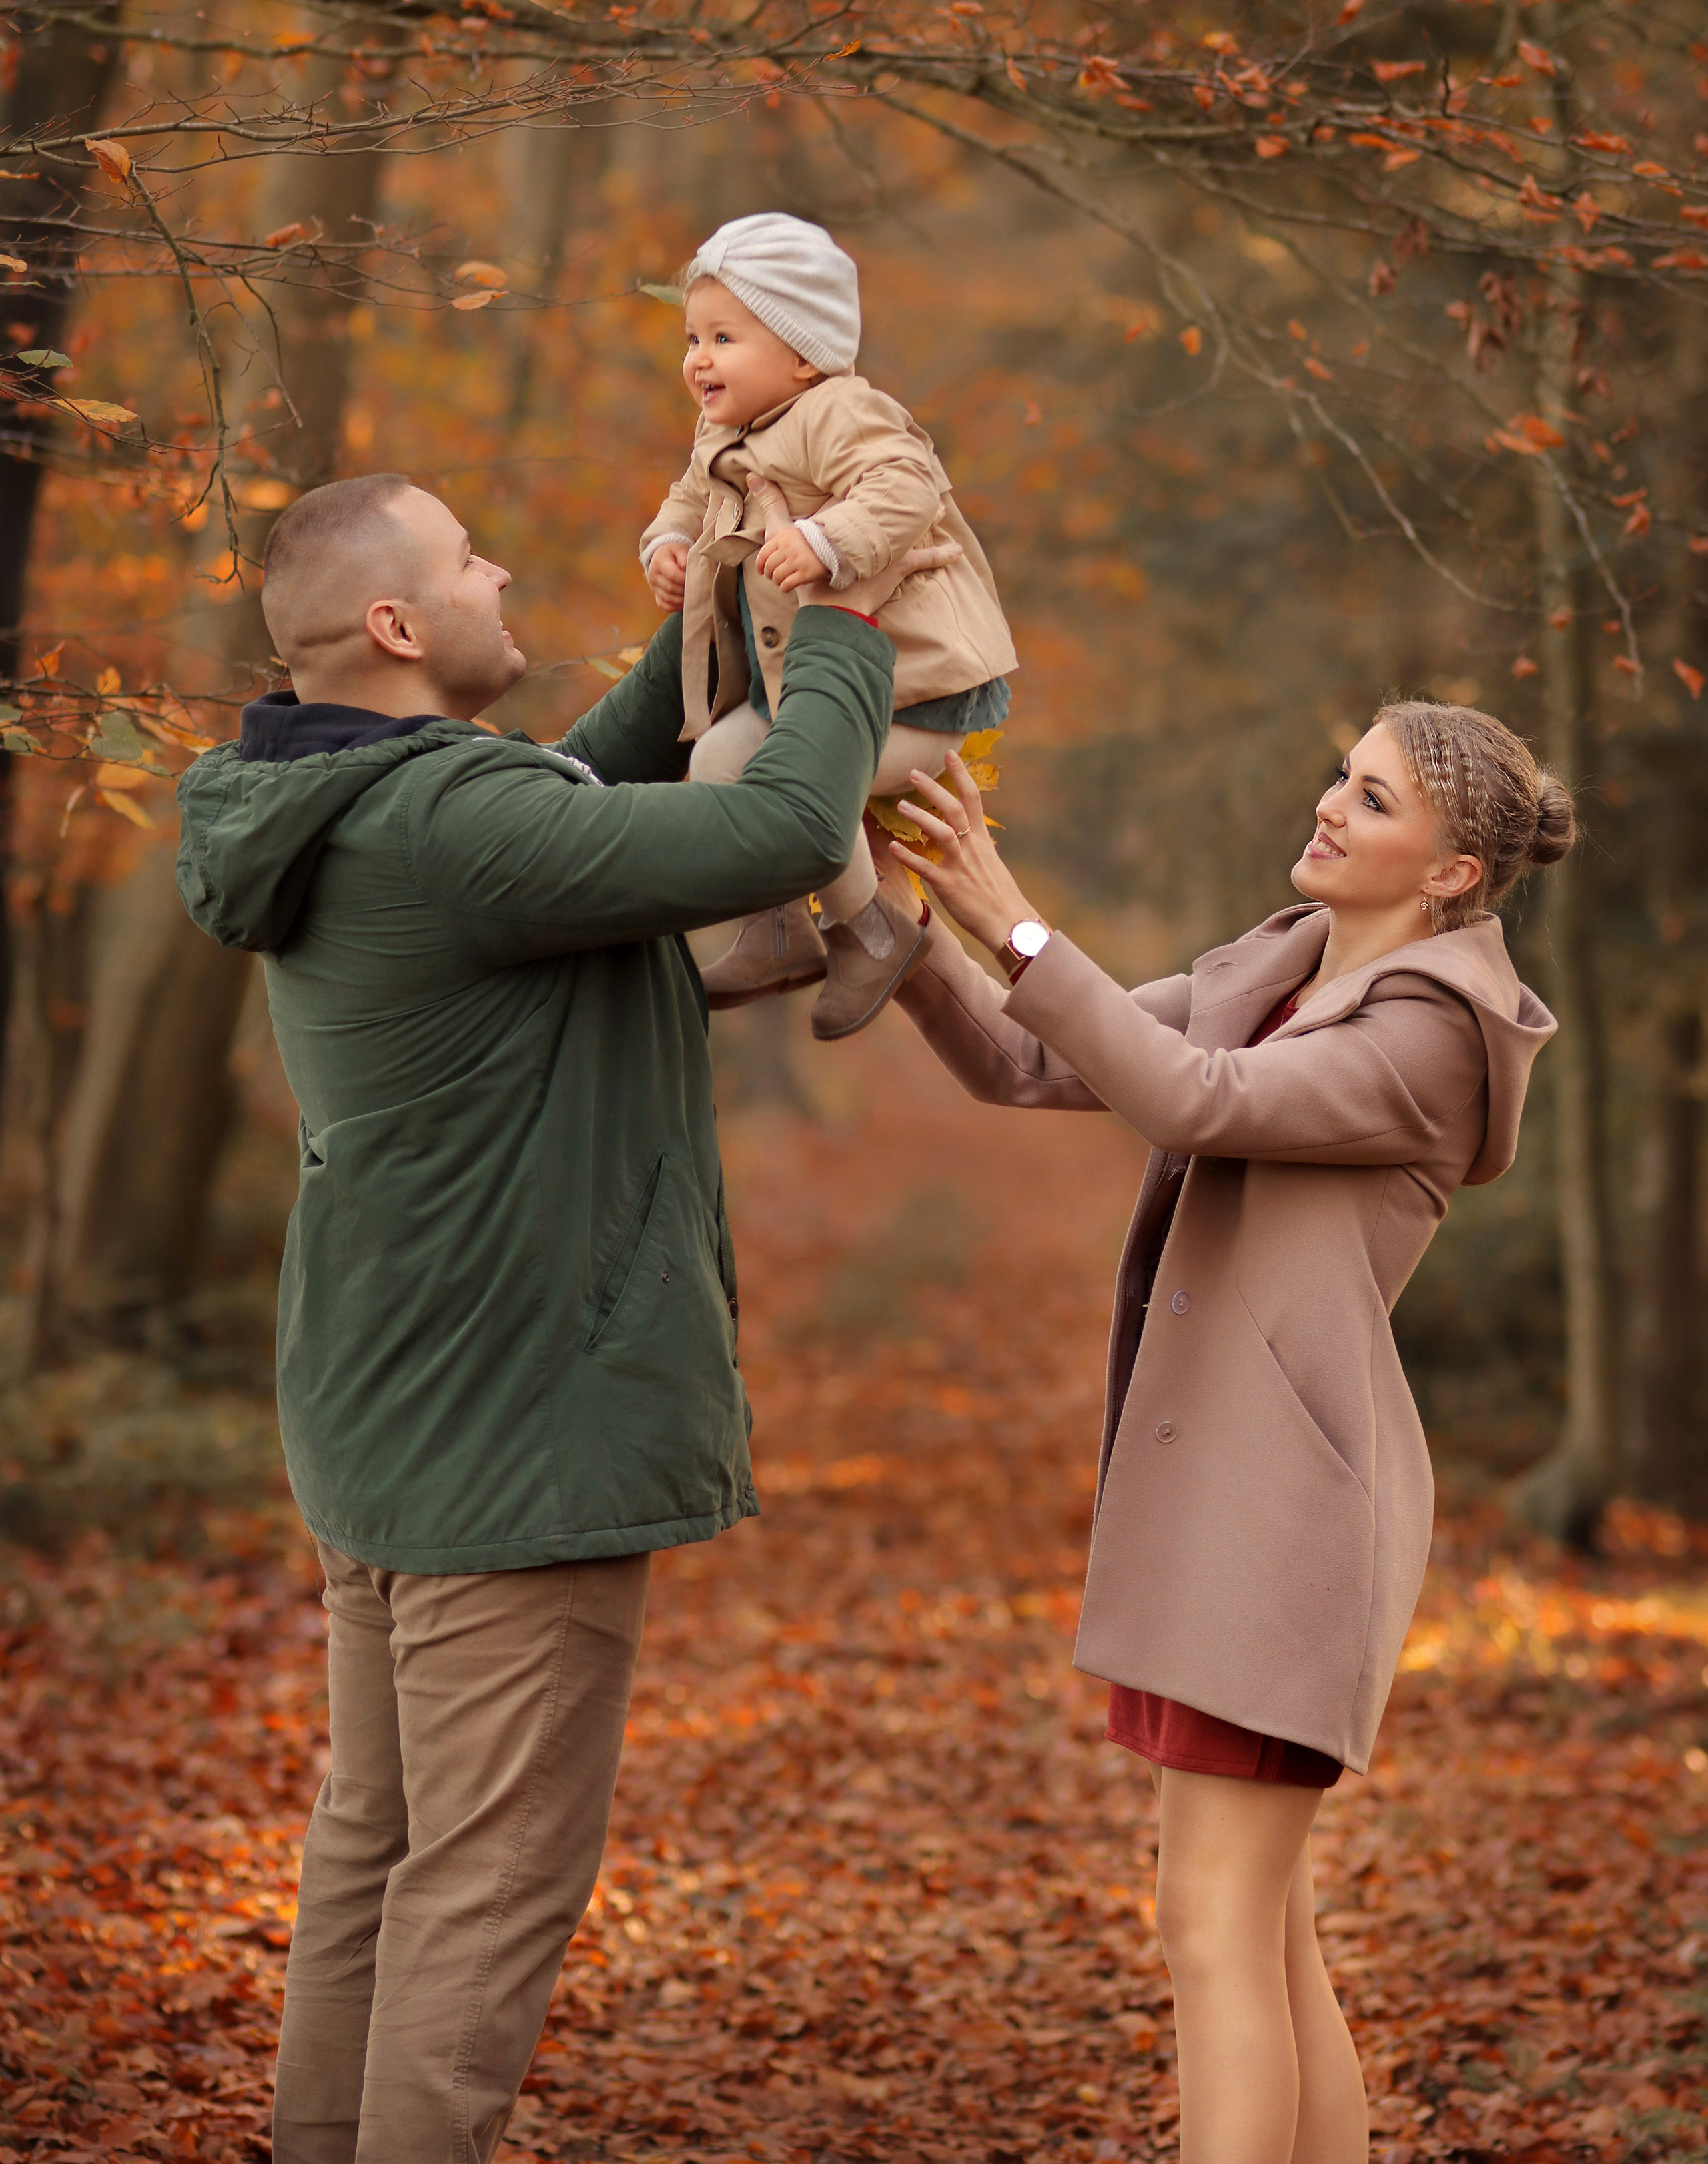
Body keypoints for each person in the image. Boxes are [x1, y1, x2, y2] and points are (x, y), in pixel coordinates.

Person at [174, 470, 946, 2164]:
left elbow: (585, 778)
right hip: (511, 1435)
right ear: (395, 624)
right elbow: (773, 834)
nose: (498, 565)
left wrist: (712, 627)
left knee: (377, 1851)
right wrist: (842, 635)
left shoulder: (351, 800)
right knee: (481, 1886)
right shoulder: (445, 822)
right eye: (467, 558)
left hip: (393, 1422)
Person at [876, 700, 1569, 2164]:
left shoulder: (1432, 1040)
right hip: (1224, 1503)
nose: (1329, 805)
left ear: (1451, 874)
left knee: (1208, 1931)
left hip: (1284, 1517)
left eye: (1372, 800)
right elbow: (1038, 1062)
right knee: (1261, 1935)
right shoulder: (1279, 962)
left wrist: (1012, 924)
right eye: (1342, 775)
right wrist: (903, 928)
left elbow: (1194, 1099)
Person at [639, 209, 1018, 1038]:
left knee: (806, 784)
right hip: (803, 690)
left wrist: (825, 541)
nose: (698, 358)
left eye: (724, 337)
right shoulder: (724, 428)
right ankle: (778, 930)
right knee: (715, 764)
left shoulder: (844, 412)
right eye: (692, 338)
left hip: (912, 687)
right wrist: (667, 543)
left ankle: (874, 936)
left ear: (802, 352)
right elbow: (691, 493)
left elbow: (904, 487)